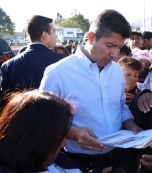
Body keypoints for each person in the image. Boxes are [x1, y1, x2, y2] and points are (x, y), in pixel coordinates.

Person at [39, 9, 142, 172]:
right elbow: (42, 123)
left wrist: (133, 128)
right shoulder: (57, 73)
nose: (115, 54)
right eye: (110, 45)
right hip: (79, 163)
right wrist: (72, 133)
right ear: (91, 37)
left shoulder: (116, 71)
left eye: (120, 47)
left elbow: (120, 107)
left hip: (117, 159)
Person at [0, 90, 79, 172]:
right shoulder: (46, 156)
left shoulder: (45, 157)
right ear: (35, 139)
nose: (64, 143)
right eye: (59, 136)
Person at [0, 15, 66, 94]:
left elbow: (6, 100)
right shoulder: (61, 60)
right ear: (45, 35)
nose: (56, 36)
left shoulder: (8, 66)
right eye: (54, 32)